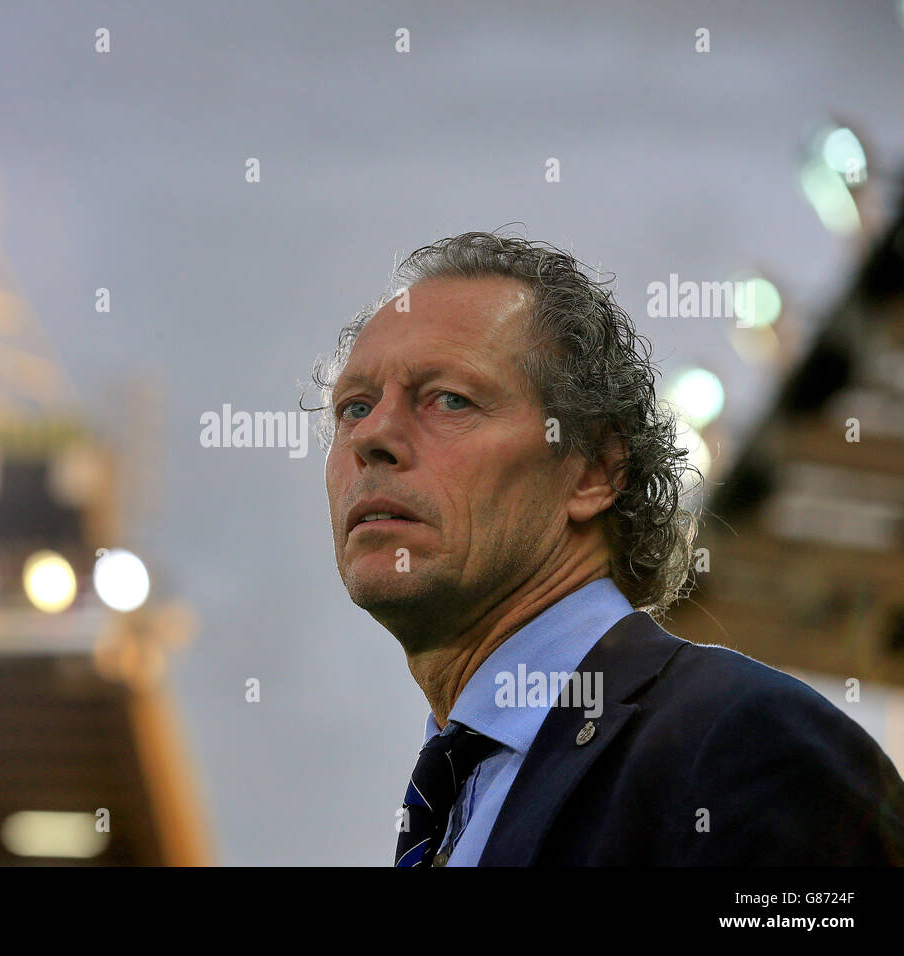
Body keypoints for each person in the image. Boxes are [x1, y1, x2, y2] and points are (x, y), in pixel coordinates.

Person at [311, 230, 904, 865]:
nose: (372, 437)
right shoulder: (459, 802)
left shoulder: (743, 742)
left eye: (450, 399)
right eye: (354, 407)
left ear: (594, 470)